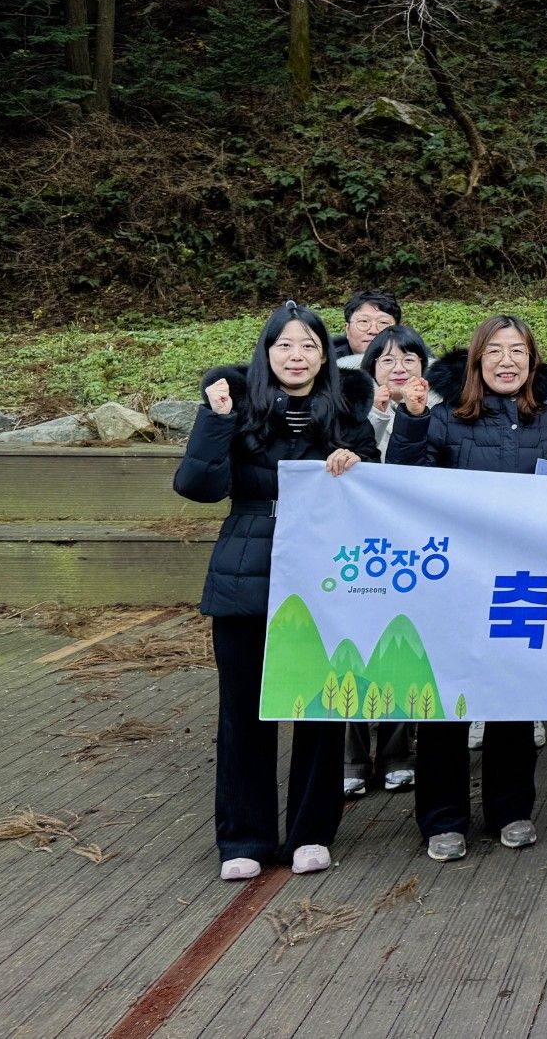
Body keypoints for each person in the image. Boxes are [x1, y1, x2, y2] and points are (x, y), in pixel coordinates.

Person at [172, 301, 377, 882]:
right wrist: (213, 421)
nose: (296, 355)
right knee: (243, 713)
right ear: (266, 354)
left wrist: (354, 463)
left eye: (309, 345)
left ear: (325, 356)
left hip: (323, 580)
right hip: (245, 577)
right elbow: (196, 487)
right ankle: (244, 837)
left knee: (320, 706)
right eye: (284, 344)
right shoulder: (232, 409)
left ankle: (312, 832)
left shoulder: (346, 414)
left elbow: (377, 491)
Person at [387, 315, 547, 862]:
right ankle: (442, 818)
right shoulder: (447, 418)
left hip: (520, 583)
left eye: (517, 351)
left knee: (514, 702)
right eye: (494, 351)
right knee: (446, 706)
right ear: (476, 361)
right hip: (451, 582)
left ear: (531, 360)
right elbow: (407, 484)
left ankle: (511, 809)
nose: (506, 361)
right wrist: (410, 420)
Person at [342, 323, 440, 797]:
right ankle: (354, 757)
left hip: (416, 547)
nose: (398, 368)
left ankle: (399, 751)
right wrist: (378, 416)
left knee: (403, 642)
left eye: (408, 359)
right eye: (386, 360)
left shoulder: (440, 411)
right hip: (360, 548)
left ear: (424, 367)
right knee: (355, 643)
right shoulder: (348, 411)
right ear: (371, 367)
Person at [333, 289, 402, 364]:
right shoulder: (325, 366)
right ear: (347, 329)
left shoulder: (412, 365)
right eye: (363, 321)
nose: (373, 331)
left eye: (383, 323)